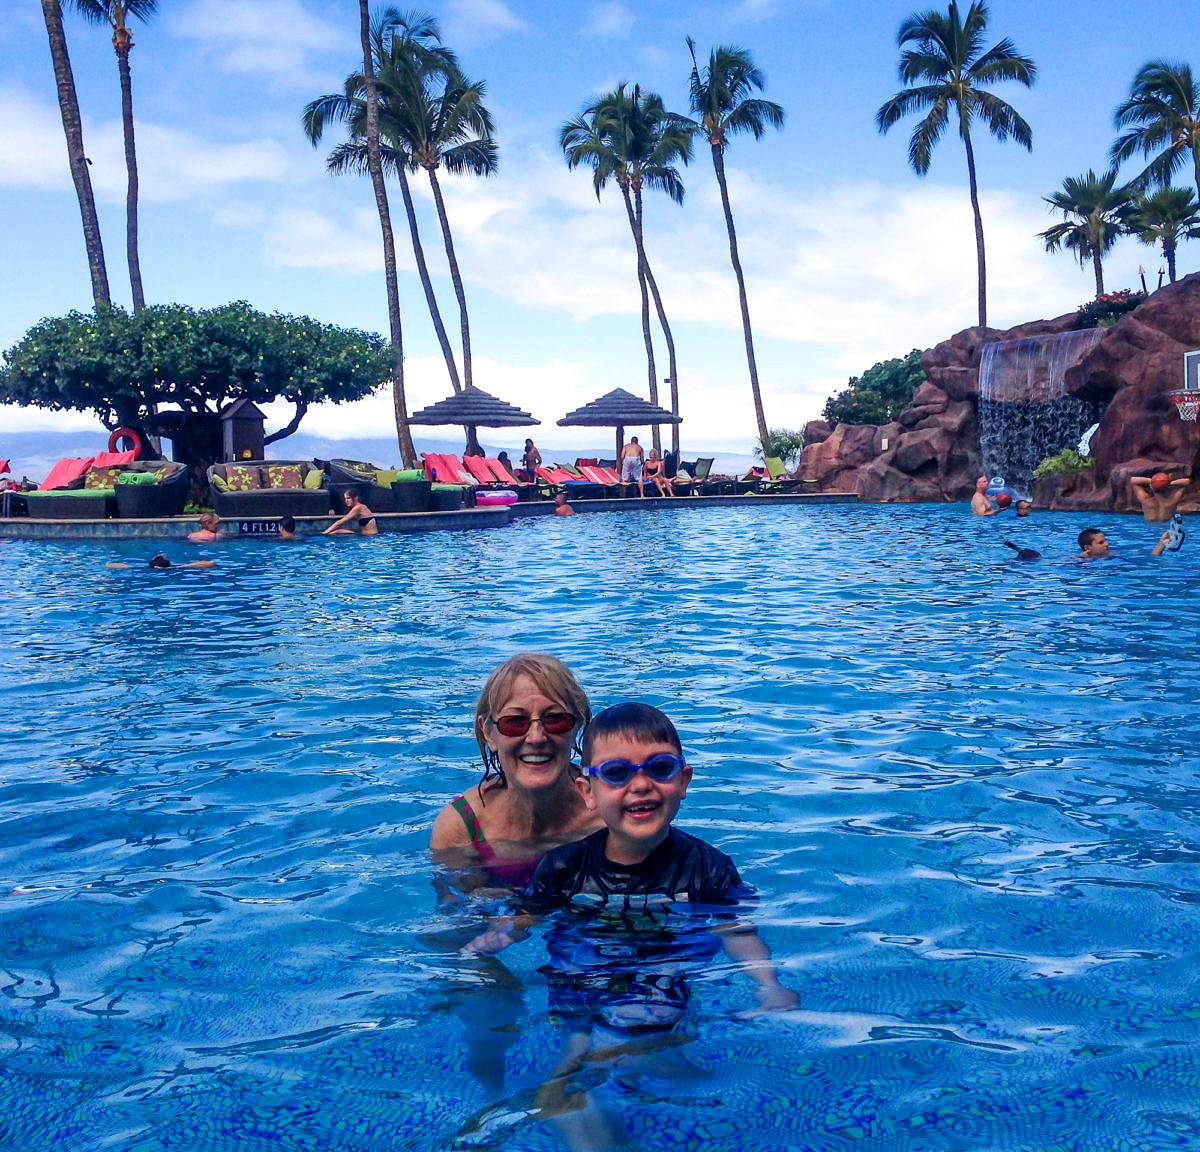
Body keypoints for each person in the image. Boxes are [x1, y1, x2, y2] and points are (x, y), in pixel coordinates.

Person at [460, 703, 796, 1147]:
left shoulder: (707, 868)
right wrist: (495, 937)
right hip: (580, 977)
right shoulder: (564, 866)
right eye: (617, 773)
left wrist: (767, 983)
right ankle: (612, 1089)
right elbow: (528, 916)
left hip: (661, 976)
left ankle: (622, 1076)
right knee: (575, 1058)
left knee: (632, 1034)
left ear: (684, 781)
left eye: (659, 768)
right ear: (587, 790)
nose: (641, 785)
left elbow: (737, 930)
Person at [430, 653, 602, 891]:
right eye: (515, 722)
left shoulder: (609, 809)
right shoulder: (464, 825)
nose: (536, 738)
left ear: (577, 727)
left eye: (555, 719)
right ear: (489, 733)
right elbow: (460, 919)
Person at [106, 554, 215, 570]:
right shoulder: (176, 569)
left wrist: (108, 564)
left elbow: (111, 565)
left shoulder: (141, 570)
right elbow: (211, 563)